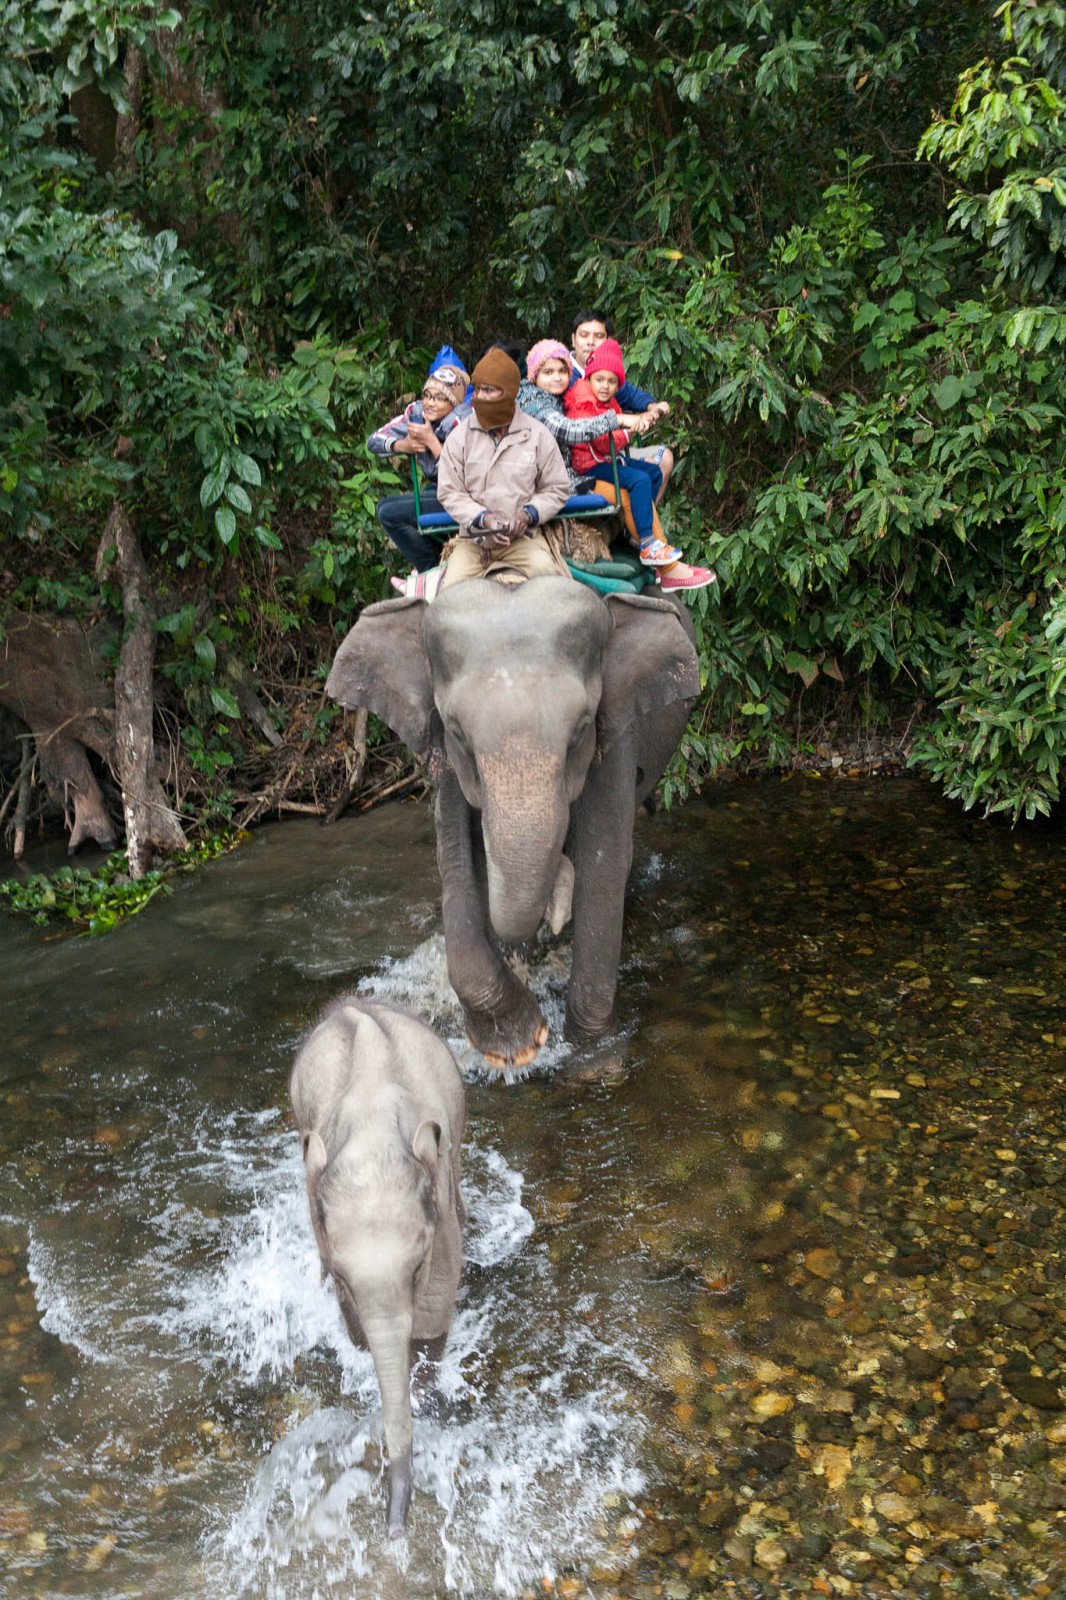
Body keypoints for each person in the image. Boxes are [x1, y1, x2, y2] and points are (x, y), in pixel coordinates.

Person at [564, 339, 713, 592]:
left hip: (605, 459)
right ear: (589, 378)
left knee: (653, 472)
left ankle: (639, 529)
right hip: (589, 466)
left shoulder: (608, 399)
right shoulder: (582, 401)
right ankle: (648, 542)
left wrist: (645, 413)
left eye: (612, 382)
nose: (606, 386)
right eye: (600, 380)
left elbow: (627, 402)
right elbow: (602, 443)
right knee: (638, 481)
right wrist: (629, 430)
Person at [436, 348, 573, 587]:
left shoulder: (537, 435)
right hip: (474, 545)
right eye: (477, 389)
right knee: (450, 593)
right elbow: (449, 492)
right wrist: (482, 518)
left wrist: (529, 513)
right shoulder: (459, 438)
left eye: (488, 390)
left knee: (553, 585)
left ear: (508, 393)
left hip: (523, 543)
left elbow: (557, 488)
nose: (479, 396)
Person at [367, 363, 471, 573]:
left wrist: (432, 442)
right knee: (386, 508)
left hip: (465, 495)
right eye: (427, 395)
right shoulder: (417, 414)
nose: (430, 403)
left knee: (389, 512)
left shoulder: (465, 421)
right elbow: (374, 440)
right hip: (438, 489)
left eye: (440, 398)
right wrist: (401, 445)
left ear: (453, 402)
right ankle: (435, 562)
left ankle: (431, 568)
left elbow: (463, 477)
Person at [518, 337, 655, 489]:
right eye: (548, 372)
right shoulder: (532, 400)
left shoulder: (558, 396)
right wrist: (617, 420)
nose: (557, 378)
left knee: (650, 475)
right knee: (628, 491)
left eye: (562, 371)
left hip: (566, 474)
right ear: (535, 375)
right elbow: (565, 429)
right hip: (544, 484)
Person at [570, 309, 675, 500]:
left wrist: (652, 406)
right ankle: (640, 527)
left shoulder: (608, 372)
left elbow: (630, 393)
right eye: (584, 335)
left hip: (610, 452)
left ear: (608, 341)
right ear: (573, 339)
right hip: (587, 458)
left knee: (663, 459)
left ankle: (640, 525)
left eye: (598, 336)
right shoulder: (565, 375)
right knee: (640, 475)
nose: (590, 342)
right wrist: (630, 426)